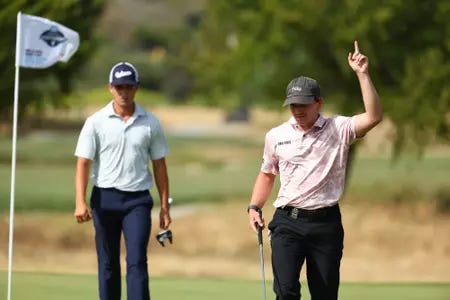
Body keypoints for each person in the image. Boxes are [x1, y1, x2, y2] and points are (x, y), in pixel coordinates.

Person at [247, 41, 382, 300]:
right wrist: (254, 207)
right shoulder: (276, 136)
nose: (298, 110)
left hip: (325, 224)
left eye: (304, 104)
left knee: (324, 295)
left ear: (318, 102)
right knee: (286, 292)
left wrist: (362, 74)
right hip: (287, 221)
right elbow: (267, 174)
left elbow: (373, 116)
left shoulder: (339, 128)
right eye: (293, 105)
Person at [74, 62, 171, 300]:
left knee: (137, 260)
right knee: (107, 263)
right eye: (119, 87)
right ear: (110, 88)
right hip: (104, 198)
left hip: (137, 200)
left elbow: (160, 165)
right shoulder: (95, 122)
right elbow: (83, 163)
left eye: (128, 86)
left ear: (136, 88)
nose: (123, 92)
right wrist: (80, 201)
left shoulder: (150, 122)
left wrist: (165, 207)